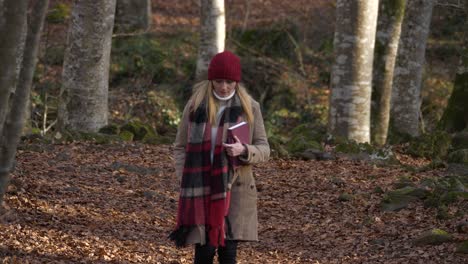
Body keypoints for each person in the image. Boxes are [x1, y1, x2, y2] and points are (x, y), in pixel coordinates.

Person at [169, 50, 270, 264]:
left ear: (237, 82)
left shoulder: (250, 108)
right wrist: (185, 177)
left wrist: (244, 150)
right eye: (218, 81)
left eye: (229, 82)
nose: (224, 87)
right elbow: (180, 147)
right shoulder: (195, 106)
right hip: (201, 188)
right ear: (211, 80)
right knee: (203, 253)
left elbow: (264, 148)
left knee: (228, 253)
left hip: (236, 191)